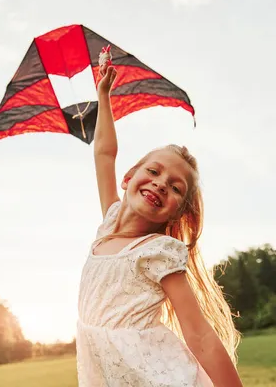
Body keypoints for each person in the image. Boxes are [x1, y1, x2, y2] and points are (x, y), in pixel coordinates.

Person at [75, 60, 243, 386]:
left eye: (175, 186)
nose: (160, 183)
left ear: (176, 213)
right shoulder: (108, 225)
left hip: (157, 377)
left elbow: (200, 335)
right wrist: (104, 94)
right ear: (128, 178)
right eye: (153, 171)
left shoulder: (158, 251)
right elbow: (104, 154)